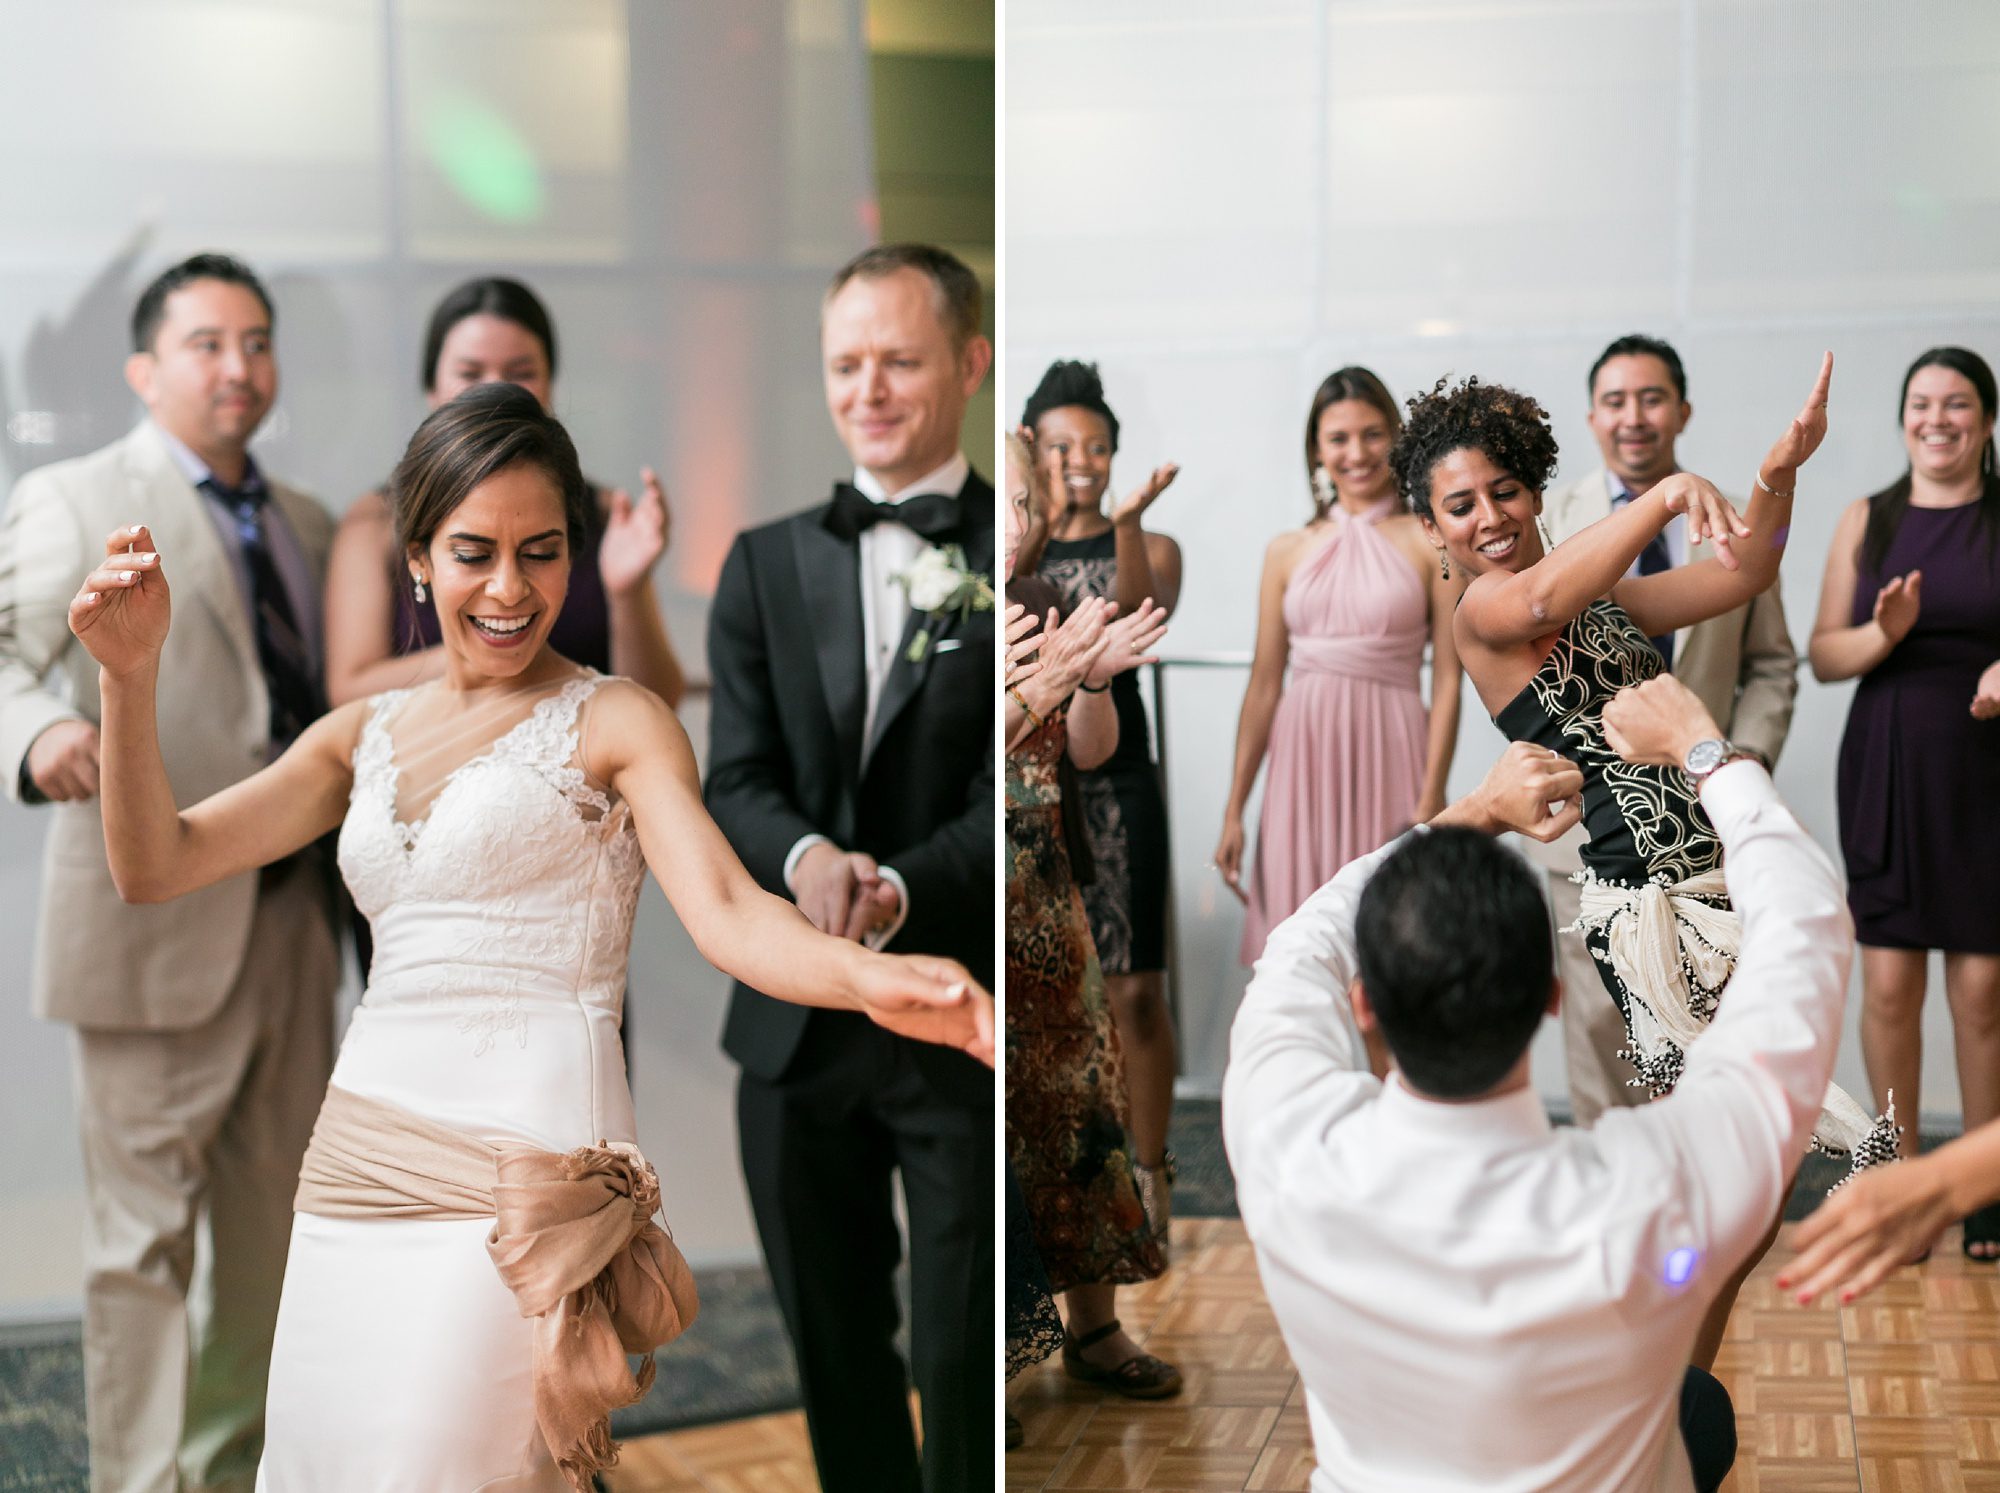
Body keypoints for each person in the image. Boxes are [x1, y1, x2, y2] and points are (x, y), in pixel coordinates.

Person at [64, 380, 994, 1491]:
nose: (509, 587)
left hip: (521, 1170)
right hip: (357, 1162)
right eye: (472, 552)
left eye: (541, 551)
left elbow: (731, 912)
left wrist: (868, 978)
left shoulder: (617, 719)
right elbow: (153, 860)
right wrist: (128, 678)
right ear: (416, 555)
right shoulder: (357, 734)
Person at [1225, 673, 1852, 1493]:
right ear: (1552, 997)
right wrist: (1704, 748)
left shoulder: (1287, 1143)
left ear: (1364, 1005)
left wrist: (1477, 810)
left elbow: (1302, 943)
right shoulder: (1648, 1192)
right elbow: (1805, 930)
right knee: (1698, 1409)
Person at [1396, 356, 1893, 1371]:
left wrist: (1775, 473)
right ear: (1432, 527)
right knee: (1719, 1172)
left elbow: (1744, 571)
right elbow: (1534, 595)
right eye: (1459, 505)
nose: (1486, 516)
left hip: (1711, 886)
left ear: (1534, 485)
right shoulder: (1483, 615)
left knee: (1739, 1182)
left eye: (1504, 489)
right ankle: (1634, 1369)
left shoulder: (1606, 597)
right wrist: (1665, 489)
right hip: (1652, 914)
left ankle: (1661, 1374)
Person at [0, 252, 338, 1493]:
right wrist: (38, 735)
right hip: (145, 931)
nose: (238, 366)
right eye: (206, 343)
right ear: (147, 367)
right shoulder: (74, 495)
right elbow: (1, 657)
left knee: (267, 1245)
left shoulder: (306, 522)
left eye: (256, 341)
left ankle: (227, 1468)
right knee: (139, 1252)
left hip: (297, 934)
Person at [703, 242, 995, 1493]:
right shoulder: (762, 561)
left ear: (970, 363)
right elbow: (736, 776)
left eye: (898, 360)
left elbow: (1019, 787)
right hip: (795, 1026)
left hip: (958, 1011)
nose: (866, 388)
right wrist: (813, 856)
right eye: (844, 363)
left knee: (962, 1348)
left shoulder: (1018, 550)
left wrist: (905, 883)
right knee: (836, 1352)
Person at [1539, 335, 1798, 1126]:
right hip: (1585, 828)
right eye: (1615, 401)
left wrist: (1737, 761)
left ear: (1682, 410)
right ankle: (1615, 1233)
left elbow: (1773, 665)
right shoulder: (1548, 522)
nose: (1634, 417)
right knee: (1600, 1036)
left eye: (1651, 398)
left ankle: (1701, 1227)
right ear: (1591, 417)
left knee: (1706, 1041)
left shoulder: (1730, 524)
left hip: (1705, 826)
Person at [1808, 345, 2000, 1248]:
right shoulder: (1868, 518)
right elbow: (1824, 655)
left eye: (1957, 403)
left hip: (1987, 771)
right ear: (1902, 418)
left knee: (1984, 986)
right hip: (1889, 767)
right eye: (1921, 403)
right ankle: (1897, 1186)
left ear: (1987, 421)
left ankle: (1980, 1187)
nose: (1937, 419)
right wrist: (1883, 633)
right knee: (1888, 983)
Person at [1002, 431, 1178, 1407]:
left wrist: (1096, 677)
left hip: (1045, 880)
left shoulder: (1046, 603)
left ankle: (1095, 1328)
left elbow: (1091, 750)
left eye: (1030, 504)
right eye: (1008, 502)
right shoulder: (950, 616)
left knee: (1076, 1104)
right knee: (997, 1129)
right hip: (971, 886)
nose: (1021, 522)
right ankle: (995, 1367)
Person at [322, 275, 683, 708]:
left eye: (521, 372)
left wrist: (628, 591)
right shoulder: (377, 521)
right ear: (432, 390)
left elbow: (657, 700)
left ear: (551, 386)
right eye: (469, 372)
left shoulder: (606, 514)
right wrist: (492, 643)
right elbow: (349, 690)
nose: (495, 390)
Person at [1213, 366, 1461, 962]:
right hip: (1302, 765)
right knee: (1298, 955)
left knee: (1394, 951)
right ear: (1316, 451)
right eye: (1338, 439)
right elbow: (1264, 686)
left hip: (1392, 752)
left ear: (1397, 438)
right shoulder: (1285, 550)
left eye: (1372, 434)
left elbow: (1451, 679)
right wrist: (1234, 810)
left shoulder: (1430, 541)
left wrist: (1432, 797)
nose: (1356, 453)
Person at [1021, 358, 1182, 1255]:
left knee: (1136, 989)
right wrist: (1032, 525)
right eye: (1059, 445)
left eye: (1095, 445)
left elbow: (1139, 609)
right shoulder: (1017, 543)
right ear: (1033, 451)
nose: (1079, 459)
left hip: (1119, 778)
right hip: (1035, 777)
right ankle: (1077, 1188)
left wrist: (1125, 523)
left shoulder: (1151, 541)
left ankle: (1151, 1171)